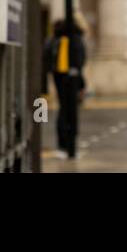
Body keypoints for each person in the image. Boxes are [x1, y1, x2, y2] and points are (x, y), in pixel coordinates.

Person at [46, 14, 87, 159]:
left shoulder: (55, 38)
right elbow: (79, 62)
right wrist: (82, 84)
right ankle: (68, 146)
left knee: (64, 109)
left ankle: (63, 146)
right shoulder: (74, 38)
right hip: (70, 78)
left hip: (59, 76)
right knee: (69, 111)